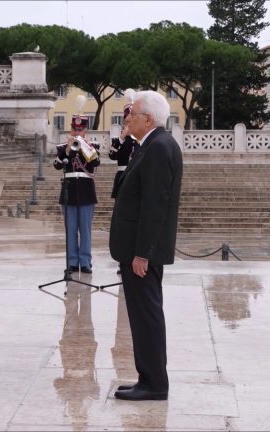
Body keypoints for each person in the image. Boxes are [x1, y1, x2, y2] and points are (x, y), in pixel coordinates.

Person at [109, 90, 182, 401]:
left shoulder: (158, 147)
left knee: (147, 316)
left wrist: (142, 253)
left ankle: (154, 384)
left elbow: (155, 206)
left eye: (133, 113)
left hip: (142, 252)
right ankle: (147, 378)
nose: (127, 117)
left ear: (148, 119)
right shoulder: (149, 145)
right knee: (142, 316)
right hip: (137, 248)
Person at [52, 115, 100, 274]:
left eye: (80, 129)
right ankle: (72, 262)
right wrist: (67, 149)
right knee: (71, 229)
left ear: (86, 130)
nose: (77, 132)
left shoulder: (92, 146)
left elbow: (95, 163)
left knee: (85, 229)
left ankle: (85, 262)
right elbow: (57, 166)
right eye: (75, 129)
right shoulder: (62, 147)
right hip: (69, 191)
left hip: (86, 190)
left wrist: (83, 146)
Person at [109, 104, 140, 199]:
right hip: (122, 176)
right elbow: (112, 156)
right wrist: (121, 137)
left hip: (137, 176)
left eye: (132, 121)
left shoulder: (141, 139)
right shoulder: (119, 140)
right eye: (127, 121)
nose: (130, 124)